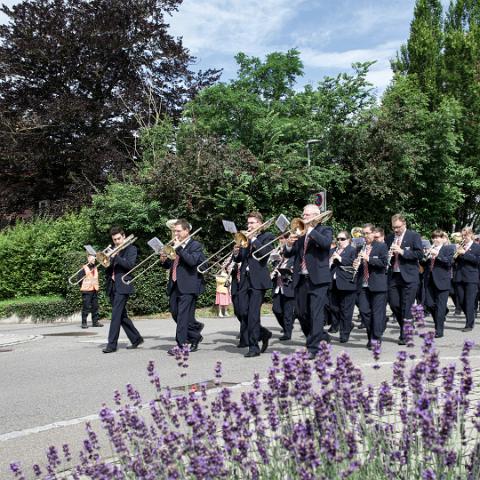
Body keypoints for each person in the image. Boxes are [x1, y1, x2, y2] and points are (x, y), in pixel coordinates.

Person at [285, 204, 333, 359]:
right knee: (300, 313)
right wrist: (289, 244)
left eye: (306, 215)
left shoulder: (325, 230)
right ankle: (320, 336)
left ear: (315, 216)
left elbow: (326, 244)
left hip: (318, 279)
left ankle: (313, 348)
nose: (303, 217)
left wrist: (311, 230)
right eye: (303, 214)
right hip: (301, 278)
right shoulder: (301, 232)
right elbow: (289, 254)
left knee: (316, 312)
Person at [160, 219, 206, 353]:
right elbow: (170, 264)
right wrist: (164, 260)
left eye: (178, 231)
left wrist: (179, 247)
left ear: (187, 231)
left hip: (189, 285)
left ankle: (181, 346)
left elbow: (192, 262)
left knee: (182, 317)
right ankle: (195, 334)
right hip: (175, 284)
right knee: (175, 313)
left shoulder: (195, 245)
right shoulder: (174, 246)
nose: (175, 233)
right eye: (174, 231)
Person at [233, 212, 274, 357]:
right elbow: (240, 259)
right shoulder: (245, 239)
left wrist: (254, 239)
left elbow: (264, 254)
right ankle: (264, 333)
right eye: (248, 223)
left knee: (253, 315)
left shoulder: (267, 237)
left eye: (252, 223)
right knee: (242, 311)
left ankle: (253, 347)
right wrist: (236, 252)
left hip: (258, 280)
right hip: (244, 279)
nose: (249, 225)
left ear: (260, 224)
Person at [103, 227, 143, 353]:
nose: (117, 241)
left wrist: (116, 257)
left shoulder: (131, 249)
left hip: (123, 285)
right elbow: (109, 269)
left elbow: (130, 265)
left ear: (124, 236)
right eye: (114, 239)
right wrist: (106, 261)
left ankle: (112, 345)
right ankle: (136, 338)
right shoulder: (114, 249)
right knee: (121, 316)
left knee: (115, 315)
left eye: (119, 238)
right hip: (112, 286)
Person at [386, 214, 423, 345]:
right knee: (394, 304)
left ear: (404, 224)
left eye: (398, 227)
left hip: (409, 277)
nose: (395, 230)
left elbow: (419, 254)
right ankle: (407, 325)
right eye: (393, 227)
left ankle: (405, 335)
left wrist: (402, 252)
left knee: (406, 307)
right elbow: (385, 255)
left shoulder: (414, 236)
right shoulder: (390, 238)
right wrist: (388, 255)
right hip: (394, 276)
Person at [423, 230, 454, 338]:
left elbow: (449, 262)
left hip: (442, 281)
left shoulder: (448, 248)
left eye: (438, 237)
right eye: (434, 237)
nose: (435, 239)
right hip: (429, 281)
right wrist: (424, 256)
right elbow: (423, 263)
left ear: (442, 238)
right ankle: (443, 312)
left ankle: (439, 331)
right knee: (429, 304)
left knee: (440, 308)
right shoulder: (430, 248)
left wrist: (438, 255)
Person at [329, 230, 357, 343]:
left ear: (348, 240)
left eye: (342, 239)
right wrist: (330, 261)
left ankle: (344, 333)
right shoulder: (332, 250)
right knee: (333, 307)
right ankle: (348, 324)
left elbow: (353, 263)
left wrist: (340, 258)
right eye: (338, 239)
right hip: (333, 283)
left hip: (347, 283)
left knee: (346, 310)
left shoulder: (352, 250)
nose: (339, 241)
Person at [453, 227, 480, 332]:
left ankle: (469, 324)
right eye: (463, 235)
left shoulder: (477, 247)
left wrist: (465, 253)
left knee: (469, 301)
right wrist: (456, 255)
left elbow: (477, 261)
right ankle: (470, 316)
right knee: (461, 300)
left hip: (471, 278)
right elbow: (454, 261)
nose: (464, 237)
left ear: (471, 235)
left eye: (466, 235)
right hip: (459, 276)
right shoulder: (460, 246)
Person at [271, 235, 296, 341]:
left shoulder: (294, 258)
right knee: (276, 310)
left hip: (288, 288)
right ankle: (286, 326)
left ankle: (287, 333)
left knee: (287, 312)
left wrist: (289, 271)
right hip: (278, 288)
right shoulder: (278, 260)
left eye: (282, 239)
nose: (280, 241)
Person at [77, 253, 103, 329]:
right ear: (88, 259)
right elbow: (79, 279)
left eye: (94, 258)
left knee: (95, 307)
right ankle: (84, 323)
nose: (94, 259)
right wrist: (84, 287)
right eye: (92, 258)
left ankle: (95, 322)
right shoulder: (84, 268)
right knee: (86, 307)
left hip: (94, 289)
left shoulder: (95, 267)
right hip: (87, 291)